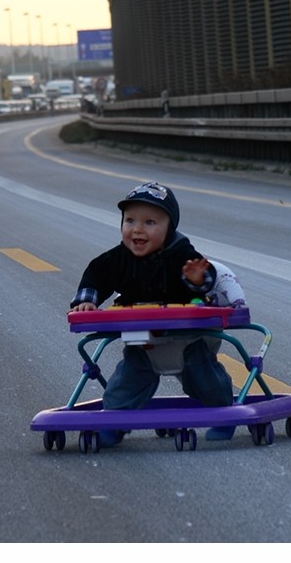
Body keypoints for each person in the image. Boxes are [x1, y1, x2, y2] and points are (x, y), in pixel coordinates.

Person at [69, 181, 238, 445]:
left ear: (169, 227)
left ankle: (223, 414)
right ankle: (113, 422)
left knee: (203, 378)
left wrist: (197, 279)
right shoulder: (118, 259)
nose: (137, 229)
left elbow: (204, 278)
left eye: (150, 222)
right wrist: (86, 301)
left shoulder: (181, 253)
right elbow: (96, 276)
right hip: (143, 338)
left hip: (188, 337)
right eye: (130, 220)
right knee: (129, 379)